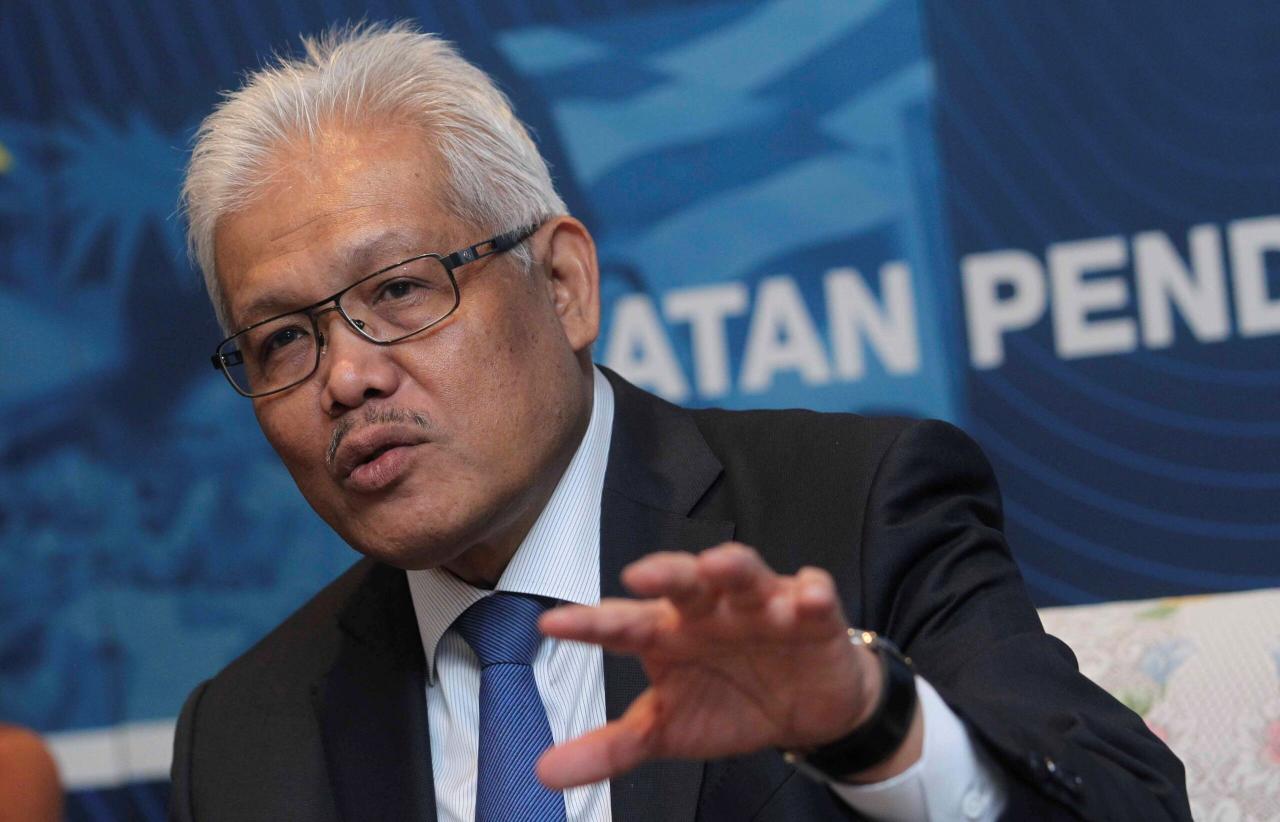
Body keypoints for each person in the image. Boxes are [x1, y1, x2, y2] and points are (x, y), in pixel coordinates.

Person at [169, 22, 1190, 822]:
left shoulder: (855, 515)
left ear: (563, 284)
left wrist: (864, 725)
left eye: (398, 289)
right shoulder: (244, 734)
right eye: (282, 340)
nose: (347, 377)